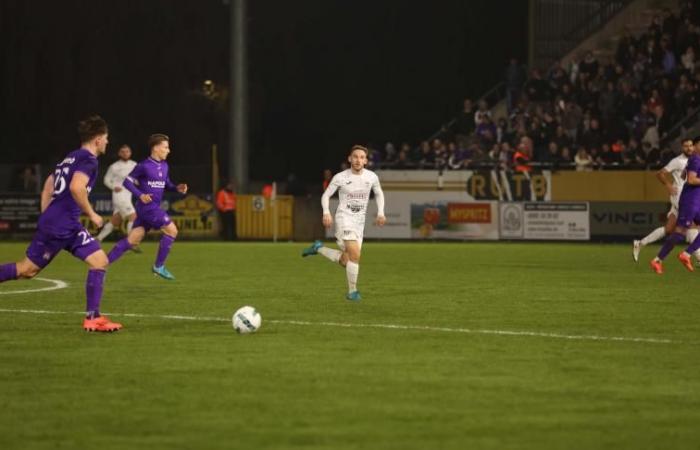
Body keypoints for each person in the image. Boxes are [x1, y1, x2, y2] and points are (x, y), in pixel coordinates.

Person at [0, 115, 121, 332]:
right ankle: (93, 317)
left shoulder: (71, 157)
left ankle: (93, 318)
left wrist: (48, 213)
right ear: (97, 140)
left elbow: (49, 185)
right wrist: (92, 214)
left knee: (99, 261)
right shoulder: (89, 160)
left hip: (65, 224)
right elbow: (76, 187)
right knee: (27, 270)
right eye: (106, 138)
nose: (107, 142)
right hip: (60, 225)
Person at [301, 145, 386, 301]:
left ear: (366, 160)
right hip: (344, 219)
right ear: (349, 159)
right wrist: (326, 212)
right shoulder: (340, 177)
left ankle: (318, 248)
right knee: (355, 255)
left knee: (346, 261)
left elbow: (379, 193)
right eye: (355, 156)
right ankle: (352, 292)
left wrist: (381, 212)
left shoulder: (371, 177)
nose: (358, 160)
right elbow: (326, 196)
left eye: (361, 157)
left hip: (359, 223)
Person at [107, 134, 188, 280]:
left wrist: (177, 188)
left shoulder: (164, 165)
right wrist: (140, 195)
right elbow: (127, 182)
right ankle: (159, 266)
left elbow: (166, 184)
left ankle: (103, 263)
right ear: (156, 148)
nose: (168, 150)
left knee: (132, 240)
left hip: (151, 208)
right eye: (165, 147)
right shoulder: (143, 166)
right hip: (147, 208)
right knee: (172, 230)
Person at [634, 138, 696, 262]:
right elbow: (660, 173)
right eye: (685, 146)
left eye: (690, 145)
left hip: (688, 196)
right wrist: (668, 186)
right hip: (680, 197)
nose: (688, 148)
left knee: (669, 229)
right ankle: (698, 256)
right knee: (693, 225)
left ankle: (640, 243)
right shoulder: (677, 161)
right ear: (681, 147)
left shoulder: (695, 160)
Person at [651, 136, 700, 274]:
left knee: (679, 232)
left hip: (695, 201)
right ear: (697, 146)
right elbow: (690, 180)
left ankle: (685, 254)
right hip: (690, 201)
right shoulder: (696, 159)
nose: (690, 148)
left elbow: (685, 175)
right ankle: (658, 260)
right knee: (678, 233)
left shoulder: (693, 160)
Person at [96, 144, 139, 250]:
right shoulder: (114, 166)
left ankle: (97, 239)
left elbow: (138, 178)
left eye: (127, 151)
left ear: (130, 153)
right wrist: (113, 187)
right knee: (133, 216)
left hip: (128, 195)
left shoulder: (134, 164)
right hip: (119, 195)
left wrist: (138, 182)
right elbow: (106, 180)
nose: (125, 153)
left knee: (115, 221)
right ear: (119, 154)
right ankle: (131, 243)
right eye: (123, 152)